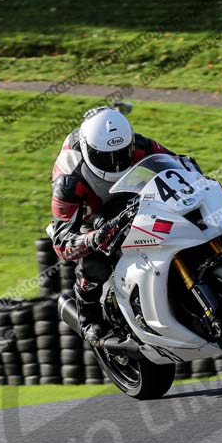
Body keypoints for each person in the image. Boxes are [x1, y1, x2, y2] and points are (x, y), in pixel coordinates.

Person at [50, 106, 174, 342]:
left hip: (134, 196)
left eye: (121, 154)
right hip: (92, 212)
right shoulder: (68, 179)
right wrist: (94, 237)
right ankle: (89, 317)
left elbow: (176, 163)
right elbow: (62, 242)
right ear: (88, 149)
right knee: (95, 261)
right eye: (105, 158)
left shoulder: (139, 145)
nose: (116, 164)